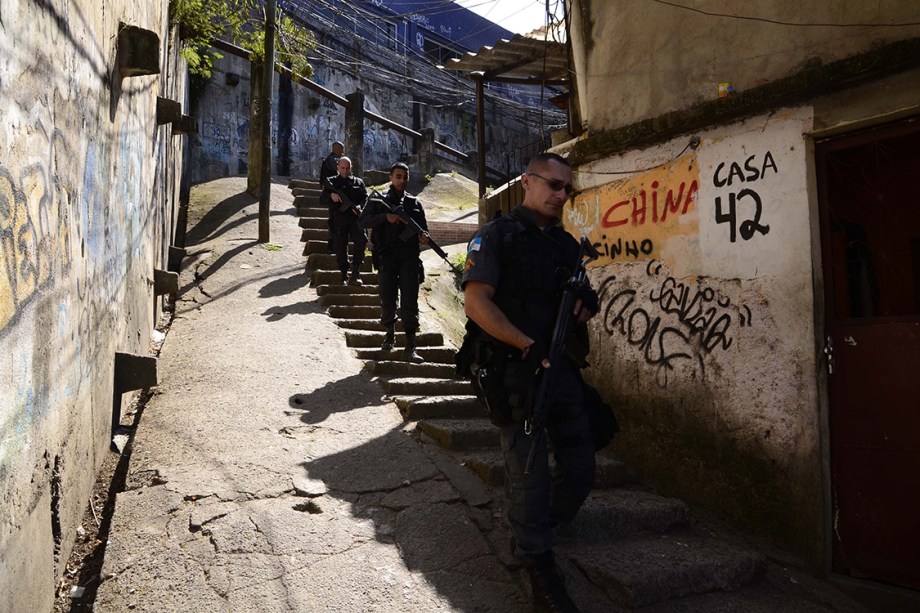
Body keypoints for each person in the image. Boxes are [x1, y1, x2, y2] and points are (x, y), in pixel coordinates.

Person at [459, 153, 598, 613]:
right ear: (527, 182)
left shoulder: (564, 245)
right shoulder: (496, 236)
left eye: (566, 189)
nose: (561, 195)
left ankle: (539, 527)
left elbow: (575, 297)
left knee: (581, 467)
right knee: (528, 473)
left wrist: (585, 302)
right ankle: (537, 559)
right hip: (516, 373)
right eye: (554, 185)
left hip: (561, 371)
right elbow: (476, 303)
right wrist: (525, 344)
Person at [359, 162, 429, 364]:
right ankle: (389, 333)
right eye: (398, 176)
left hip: (409, 258)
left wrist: (424, 236)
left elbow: (423, 229)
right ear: (391, 177)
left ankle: (410, 346)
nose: (402, 180)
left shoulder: (414, 203)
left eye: (405, 177)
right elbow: (362, 221)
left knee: (410, 301)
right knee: (388, 298)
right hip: (386, 256)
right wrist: (385, 217)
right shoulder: (378, 200)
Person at [320, 156, 368, 285]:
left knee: (361, 240)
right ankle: (344, 273)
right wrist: (331, 195)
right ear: (337, 167)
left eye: (347, 168)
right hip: (338, 219)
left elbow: (366, 198)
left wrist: (360, 207)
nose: (345, 170)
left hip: (355, 219)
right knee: (340, 247)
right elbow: (322, 199)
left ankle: (356, 270)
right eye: (342, 168)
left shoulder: (358, 182)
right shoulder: (331, 182)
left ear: (351, 168)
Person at [319, 140, 345, 251]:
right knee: (334, 221)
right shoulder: (332, 160)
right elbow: (338, 172)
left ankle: (336, 245)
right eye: (341, 149)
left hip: (338, 193)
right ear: (336, 149)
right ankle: (332, 245)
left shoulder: (333, 159)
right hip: (333, 194)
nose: (343, 152)